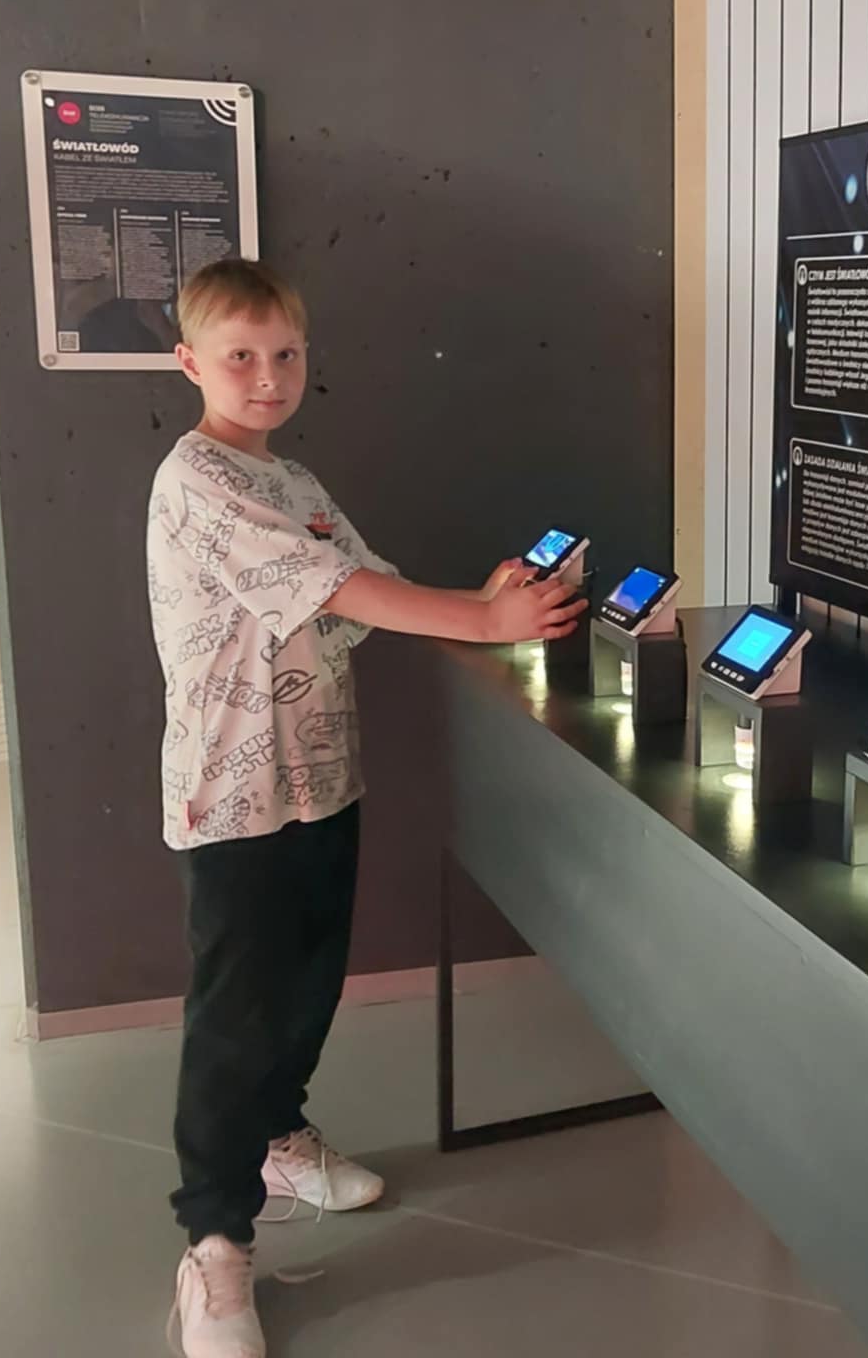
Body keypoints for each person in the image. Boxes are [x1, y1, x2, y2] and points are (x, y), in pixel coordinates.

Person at [148, 259, 582, 1358]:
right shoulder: (197, 479)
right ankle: (214, 1243)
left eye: (285, 354)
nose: (267, 376)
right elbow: (335, 589)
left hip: (321, 775)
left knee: (306, 981)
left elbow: (364, 583)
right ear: (190, 362)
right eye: (240, 357)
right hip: (235, 792)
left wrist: (480, 599)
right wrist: (483, 625)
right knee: (236, 1012)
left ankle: (277, 1137)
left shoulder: (292, 477)